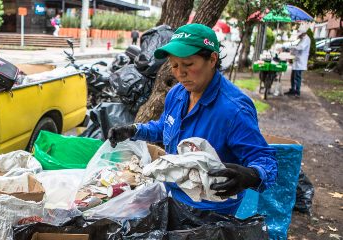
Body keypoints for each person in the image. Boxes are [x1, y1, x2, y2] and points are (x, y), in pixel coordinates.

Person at [108, 23, 277, 215]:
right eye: (174, 65)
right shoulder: (177, 94)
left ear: (212, 59)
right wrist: (134, 131)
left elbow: (265, 160)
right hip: (173, 195)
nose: (180, 73)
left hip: (211, 212)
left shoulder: (234, 110)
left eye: (188, 64)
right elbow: (165, 126)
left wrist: (252, 175)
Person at [285, 26, 310, 97]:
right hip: (297, 61)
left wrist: (293, 47)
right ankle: (293, 89)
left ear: (303, 33)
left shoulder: (307, 39)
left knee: (297, 77)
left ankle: (297, 91)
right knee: (293, 77)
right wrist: (293, 50)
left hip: (301, 62)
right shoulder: (302, 39)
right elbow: (297, 49)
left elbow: (301, 48)